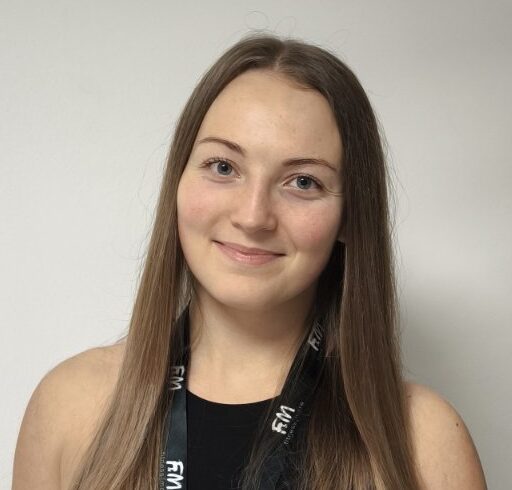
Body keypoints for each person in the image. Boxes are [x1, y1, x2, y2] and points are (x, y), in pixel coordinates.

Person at [12, 32, 487, 490]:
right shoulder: (69, 408)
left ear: (350, 216)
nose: (253, 216)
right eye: (223, 167)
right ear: (178, 180)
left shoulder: (425, 442)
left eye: (303, 182)